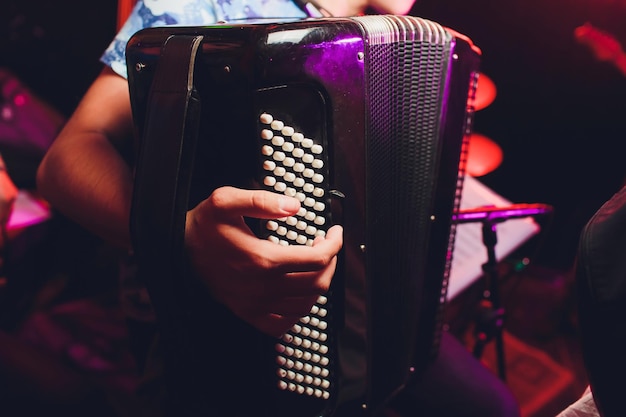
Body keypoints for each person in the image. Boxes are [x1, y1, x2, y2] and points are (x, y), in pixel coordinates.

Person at [36, 1, 521, 416]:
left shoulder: (413, 49)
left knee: (491, 406)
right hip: (230, 328)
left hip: (376, 312)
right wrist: (181, 238)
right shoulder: (209, 6)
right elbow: (68, 158)